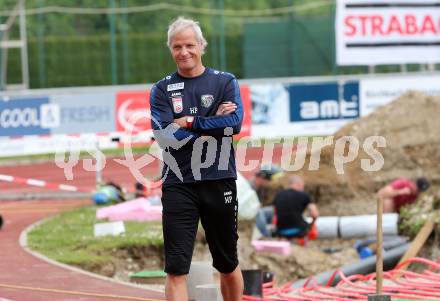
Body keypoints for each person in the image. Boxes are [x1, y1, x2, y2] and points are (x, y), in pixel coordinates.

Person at [150, 17, 244, 301]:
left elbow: (234, 124)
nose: (184, 52)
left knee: (227, 264)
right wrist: (212, 123)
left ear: (201, 46)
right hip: (179, 184)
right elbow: (166, 138)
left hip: (219, 180)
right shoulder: (162, 90)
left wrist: (190, 122)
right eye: (177, 46)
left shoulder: (225, 81)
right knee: (176, 269)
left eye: (190, 45)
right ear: (170, 49)